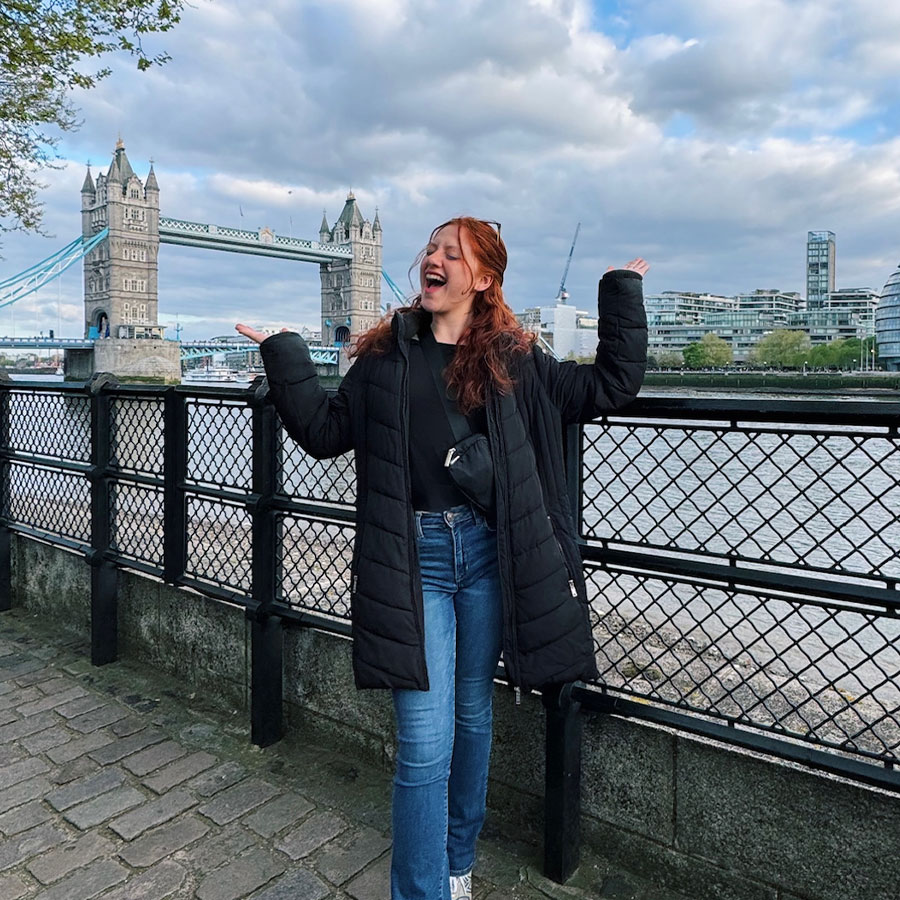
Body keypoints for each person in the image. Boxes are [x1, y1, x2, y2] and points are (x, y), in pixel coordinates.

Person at [236, 217, 648, 900]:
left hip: (490, 554)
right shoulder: (384, 357)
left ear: (482, 279)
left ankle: (457, 862)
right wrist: (284, 351)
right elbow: (323, 431)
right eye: (431, 248)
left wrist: (621, 291)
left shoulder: (516, 359)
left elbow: (607, 388)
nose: (433, 259)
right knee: (424, 744)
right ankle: (422, 891)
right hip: (414, 561)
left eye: (450, 254)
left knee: (474, 720)